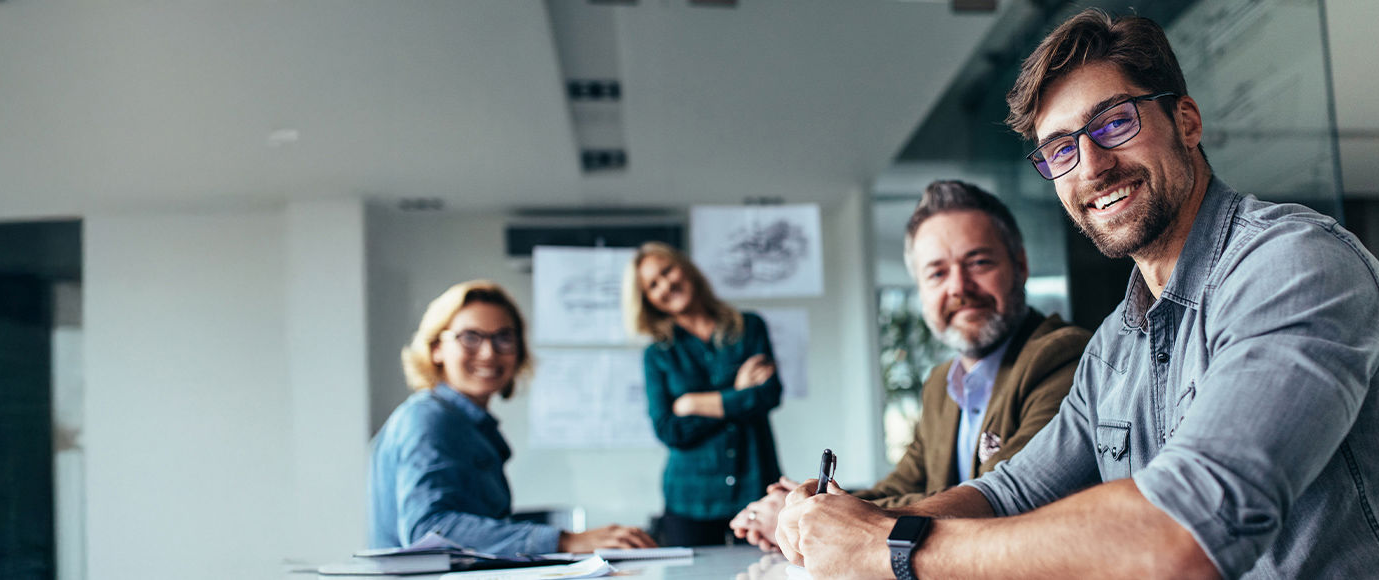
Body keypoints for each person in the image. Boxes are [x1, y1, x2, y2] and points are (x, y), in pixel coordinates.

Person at [777, 9, 1379, 579]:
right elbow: (1010, 491)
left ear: (1187, 122)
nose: (1093, 165)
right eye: (1060, 150)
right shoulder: (1120, 340)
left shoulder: (1294, 267)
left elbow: (1185, 537)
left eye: (1115, 122)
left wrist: (893, 550)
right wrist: (860, 530)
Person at [726, 180, 1092, 550]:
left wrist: (813, 518)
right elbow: (904, 485)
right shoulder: (941, 384)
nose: (958, 287)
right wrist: (814, 504)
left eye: (979, 262)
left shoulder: (1061, 356)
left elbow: (1001, 497)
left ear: (1021, 265)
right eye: (937, 273)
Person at [369, 280, 655, 554]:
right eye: (470, 337)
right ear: (436, 348)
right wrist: (564, 541)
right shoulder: (428, 419)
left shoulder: (470, 425)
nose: (489, 352)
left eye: (504, 337)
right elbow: (428, 531)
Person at [626, 242, 783, 547]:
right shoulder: (657, 353)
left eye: (667, 270)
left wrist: (693, 403)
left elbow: (768, 395)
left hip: (756, 486)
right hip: (690, 500)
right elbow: (669, 429)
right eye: (652, 285)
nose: (666, 285)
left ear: (685, 268)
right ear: (647, 300)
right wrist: (737, 393)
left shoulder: (749, 327)